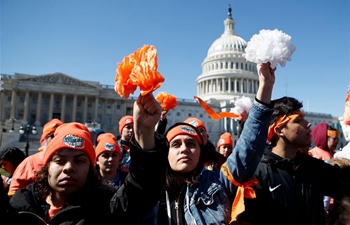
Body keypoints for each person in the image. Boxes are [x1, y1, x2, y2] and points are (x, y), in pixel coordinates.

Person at [138, 62, 275, 224]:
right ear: (165, 151)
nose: (184, 149)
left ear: (200, 151)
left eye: (191, 144)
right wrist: (143, 128)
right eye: (176, 144)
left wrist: (265, 87)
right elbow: (142, 159)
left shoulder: (217, 183)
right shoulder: (148, 189)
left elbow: (248, 147)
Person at [7, 92, 169, 224]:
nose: (69, 167)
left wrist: (142, 132)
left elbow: (141, 190)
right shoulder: (20, 205)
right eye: (60, 160)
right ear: (47, 165)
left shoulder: (104, 209)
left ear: (91, 167)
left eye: (79, 160)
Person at [236, 96, 350, 225]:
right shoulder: (256, 175)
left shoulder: (312, 167)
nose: (308, 124)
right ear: (279, 130)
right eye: (298, 120)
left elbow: (344, 183)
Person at [8, 118, 63, 198]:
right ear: (45, 139)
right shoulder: (29, 162)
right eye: (53, 136)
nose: (56, 140)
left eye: (60, 136)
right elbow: (14, 194)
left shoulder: (71, 163)